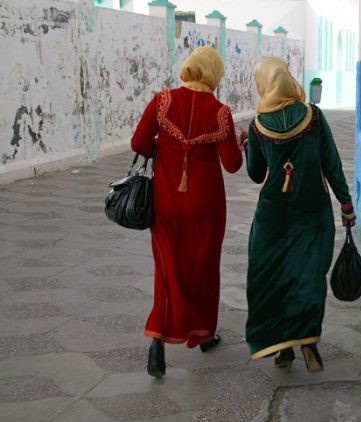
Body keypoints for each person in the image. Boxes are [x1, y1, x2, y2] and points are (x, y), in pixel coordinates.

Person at [129, 47, 243, 377]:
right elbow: (232, 165)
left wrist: (164, 148)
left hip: (166, 202)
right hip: (207, 205)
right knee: (203, 267)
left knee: (167, 269)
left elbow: (138, 142)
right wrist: (242, 142)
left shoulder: (162, 100)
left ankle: (158, 344)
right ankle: (204, 334)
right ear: (213, 73)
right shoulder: (221, 112)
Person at [241, 57, 355, 372]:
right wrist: (346, 206)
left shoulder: (257, 125)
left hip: (272, 216)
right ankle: (307, 340)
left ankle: (282, 347)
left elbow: (255, 173)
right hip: (312, 212)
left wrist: (249, 146)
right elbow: (332, 164)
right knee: (307, 275)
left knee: (274, 275)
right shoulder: (313, 117)